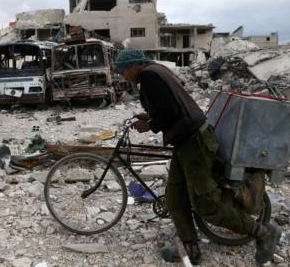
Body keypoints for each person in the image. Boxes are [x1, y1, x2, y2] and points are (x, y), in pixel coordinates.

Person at [113, 49, 281, 265]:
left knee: (206, 204)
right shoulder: (158, 71)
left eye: (123, 71)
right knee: (175, 197)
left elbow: (170, 111)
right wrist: (151, 116)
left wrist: (150, 124)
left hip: (194, 143)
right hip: (185, 143)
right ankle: (190, 248)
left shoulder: (148, 76)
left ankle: (262, 232)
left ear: (135, 65)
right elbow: (170, 105)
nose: (123, 76)